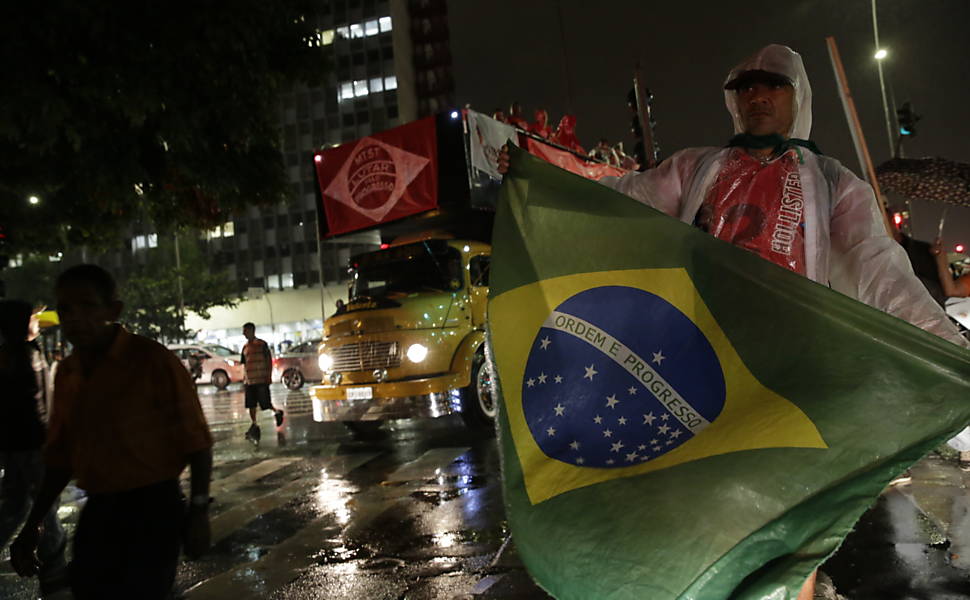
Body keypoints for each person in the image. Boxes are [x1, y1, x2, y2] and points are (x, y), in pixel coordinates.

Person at [499, 43, 966, 600]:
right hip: (707, 363)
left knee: (791, 507)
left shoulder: (831, 182)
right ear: (732, 100)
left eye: (773, 85)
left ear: (798, 96)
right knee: (708, 502)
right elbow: (618, 197)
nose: (758, 96)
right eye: (746, 87)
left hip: (794, 366)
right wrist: (542, 172)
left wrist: (947, 348)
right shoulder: (698, 168)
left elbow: (880, 270)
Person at [9, 264, 214, 599]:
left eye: (88, 305)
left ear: (112, 310)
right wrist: (34, 524)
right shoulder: (68, 373)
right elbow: (61, 456)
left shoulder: (152, 361)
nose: (76, 317)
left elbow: (197, 441)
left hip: (153, 508)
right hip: (101, 509)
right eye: (66, 309)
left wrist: (199, 511)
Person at [0, 300, 68, 598]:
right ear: (20, 324)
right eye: (33, 317)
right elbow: (33, 409)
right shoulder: (23, 357)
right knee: (46, 510)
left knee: (15, 506)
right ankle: (55, 575)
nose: (38, 320)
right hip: (31, 446)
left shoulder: (16, 354)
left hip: (18, 446)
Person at [241, 321, 284, 443]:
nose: (243, 333)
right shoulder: (245, 347)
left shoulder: (262, 345)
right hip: (249, 381)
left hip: (261, 379)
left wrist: (268, 376)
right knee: (251, 405)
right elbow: (244, 364)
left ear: (251, 331)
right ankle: (254, 424)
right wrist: (244, 379)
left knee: (265, 403)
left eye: (245, 331)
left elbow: (268, 361)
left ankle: (277, 412)